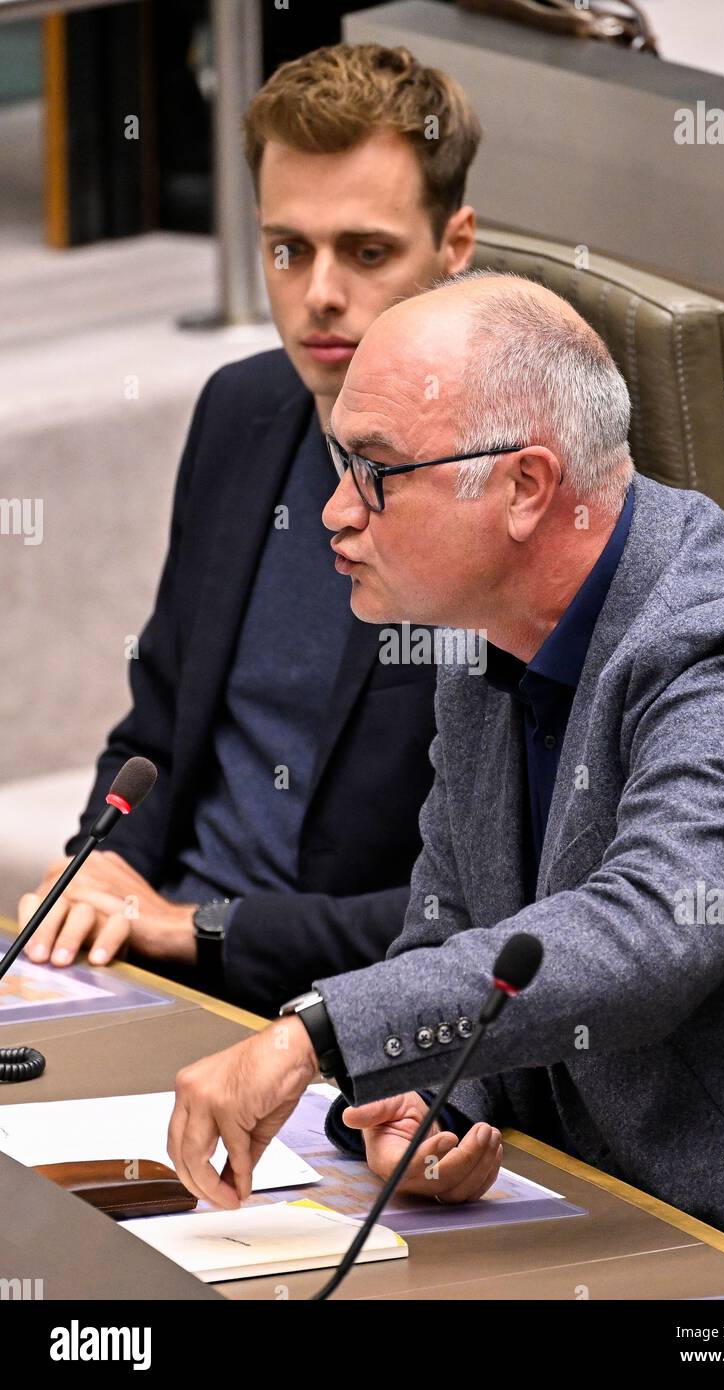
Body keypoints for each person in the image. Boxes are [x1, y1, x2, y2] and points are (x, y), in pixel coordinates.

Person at [168, 268, 724, 1281]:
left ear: (526, 487)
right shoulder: (484, 642)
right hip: (585, 1216)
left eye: (376, 470)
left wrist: (317, 1033)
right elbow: (453, 929)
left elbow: (644, 935)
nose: (332, 511)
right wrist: (437, 1101)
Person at [15, 43, 480, 1016]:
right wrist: (100, 871)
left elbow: (481, 904)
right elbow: (155, 734)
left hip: (342, 1010)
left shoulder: (496, 495)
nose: (317, 293)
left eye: (366, 252)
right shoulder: (242, 409)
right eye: (286, 249)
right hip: (153, 973)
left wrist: (195, 927)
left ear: (455, 247)